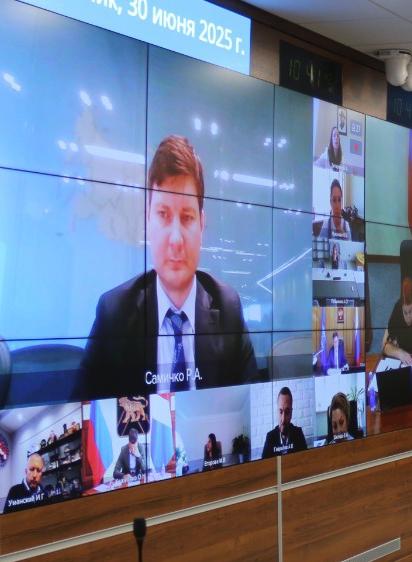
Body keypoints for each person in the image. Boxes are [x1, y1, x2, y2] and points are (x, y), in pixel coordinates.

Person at [78, 135, 256, 399]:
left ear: (201, 225)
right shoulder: (114, 314)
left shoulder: (228, 308)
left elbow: (249, 405)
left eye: (187, 217)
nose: (175, 239)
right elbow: (83, 411)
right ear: (148, 221)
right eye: (163, 215)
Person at [261, 385, 307, 459]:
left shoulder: (298, 434)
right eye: (280, 412)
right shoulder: (270, 437)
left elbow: (306, 461)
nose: (283, 418)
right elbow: (264, 464)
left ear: (291, 413)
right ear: (277, 412)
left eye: (287, 412)